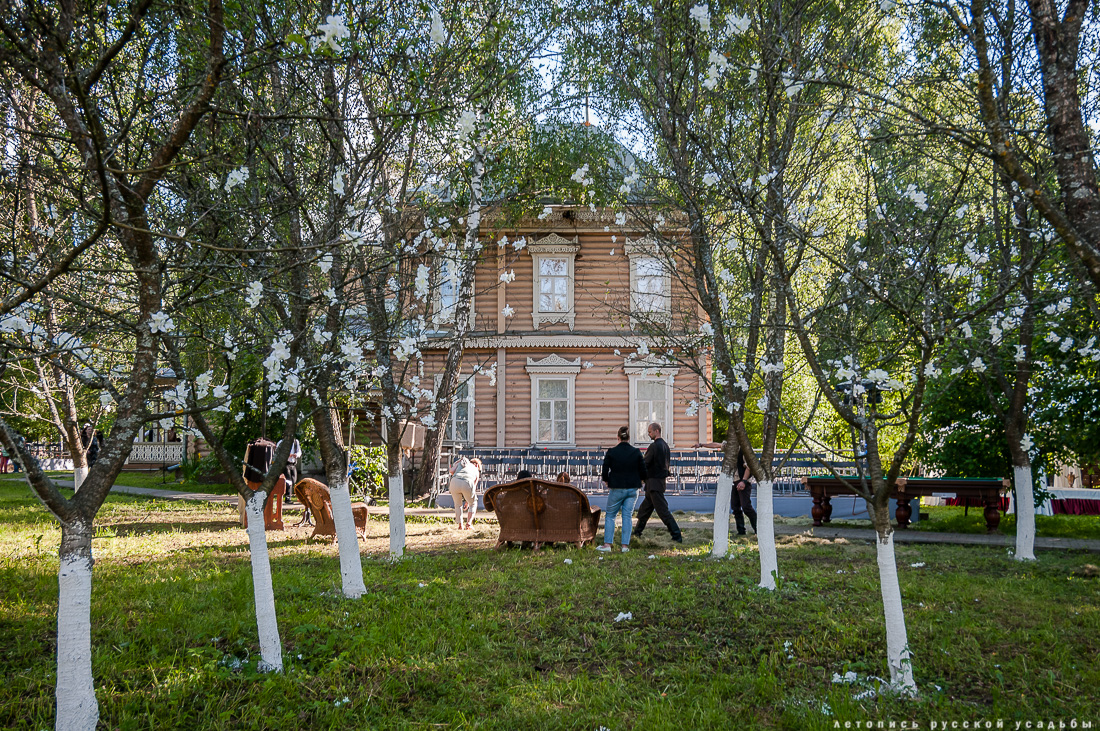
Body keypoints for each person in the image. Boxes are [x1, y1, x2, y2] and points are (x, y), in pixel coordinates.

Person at [598, 426, 647, 553]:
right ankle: (625, 546)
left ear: (618, 437)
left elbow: (605, 469)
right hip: (633, 488)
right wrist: (641, 481)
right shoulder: (636, 452)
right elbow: (643, 470)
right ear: (629, 438)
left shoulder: (611, 452)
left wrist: (607, 480)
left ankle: (607, 544)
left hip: (617, 487)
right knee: (627, 516)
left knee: (610, 516)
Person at [695, 441, 757, 535]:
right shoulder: (731, 445)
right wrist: (701, 444)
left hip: (743, 480)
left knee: (746, 507)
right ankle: (741, 531)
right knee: (735, 507)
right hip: (734, 480)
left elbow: (749, 466)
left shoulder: (745, 448)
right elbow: (717, 445)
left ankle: (758, 529)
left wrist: (743, 481)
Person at [634, 423, 683, 543]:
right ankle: (637, 533)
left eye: (650, 432)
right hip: (657, 483)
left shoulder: (654, 446)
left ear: (657, 431)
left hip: (653, 483)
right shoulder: (665, 446)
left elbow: (645, 463)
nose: (648, 434)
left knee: (663, 511)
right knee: (644, 510)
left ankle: (676, 535)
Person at [448, 456, 482, 530]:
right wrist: (468, 501)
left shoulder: (461, 463)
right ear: (477, 465)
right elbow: (474, 486)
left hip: (454, 481)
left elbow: (451, 471)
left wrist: (456, 463)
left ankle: (460, 525)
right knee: (473, 503)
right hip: (467, 482)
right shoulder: (475, 469)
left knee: (458, 505)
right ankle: (469, 524)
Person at [275, 436, 302, 501]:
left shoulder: (296, 442)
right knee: (288, 480)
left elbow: (299, 452)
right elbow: (277, 452)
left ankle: (287, 494)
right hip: (285, 463)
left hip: (293, 464)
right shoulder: (281, 442)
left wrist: (296, 455)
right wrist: (286, 455)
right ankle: (287, 497)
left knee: (293, 480)